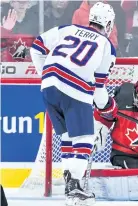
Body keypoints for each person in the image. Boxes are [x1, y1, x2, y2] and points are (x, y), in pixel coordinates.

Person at [29, 2, 117, 205]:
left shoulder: (67, 28)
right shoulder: (107, 46)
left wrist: (46, 75)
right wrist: (109, 108)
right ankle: (75, 189)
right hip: (75, 89)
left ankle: (70, 182)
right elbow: (98, 91)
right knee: (85, 138)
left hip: (48, 86)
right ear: (109, 24)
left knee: (69, 136)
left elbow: (36, 48)